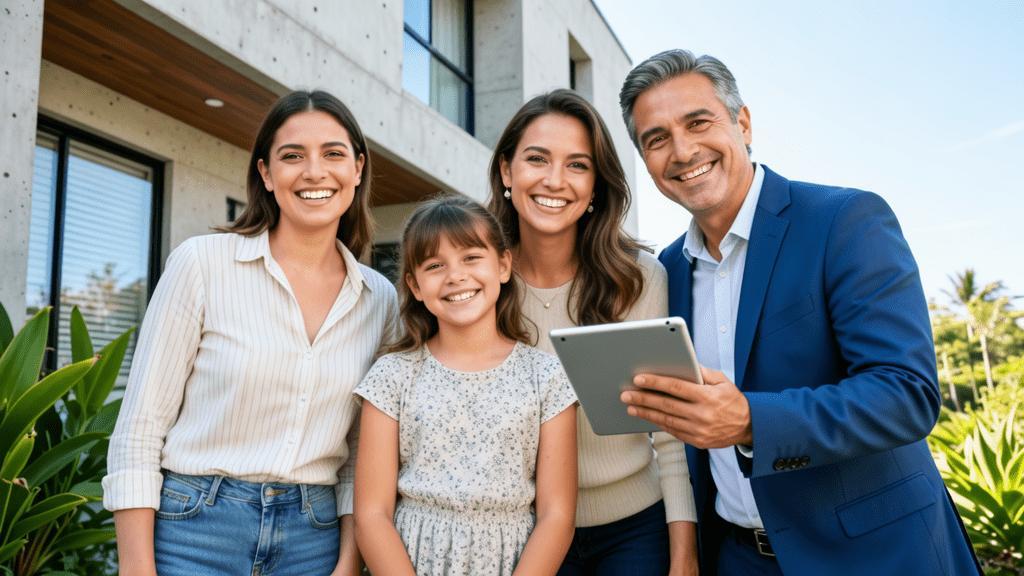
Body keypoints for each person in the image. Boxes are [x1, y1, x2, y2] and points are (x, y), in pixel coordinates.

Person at [616, 49, 981, 575]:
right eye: (656, 139)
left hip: (872, 555)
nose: (682, 149)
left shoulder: (845, 220)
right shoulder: (665, 270)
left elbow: (907, 393)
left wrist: (750, 421)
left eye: (699, 122)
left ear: (742, 123)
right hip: (737, 559)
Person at [103, 90, 397, 576]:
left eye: (333, 154)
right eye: (292, 156)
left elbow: (361, 454)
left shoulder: (379, 298)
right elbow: (140, 429)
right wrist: (136, 568)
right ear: (266, 173)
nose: (314, 172)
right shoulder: (201, 263)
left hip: (314, 540)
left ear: (358, 168)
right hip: (193, 531)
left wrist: (348, 562)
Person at [487, 89, 698, 575]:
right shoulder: (475, 284)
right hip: (522, 530)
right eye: (537, 159)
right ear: (506, 172)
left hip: (634, 531)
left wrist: (683, 555)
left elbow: (670, 432)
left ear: (597, 186)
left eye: (578, 165)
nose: (554, 181)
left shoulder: (639, 278)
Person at [353, 195, 578, 576]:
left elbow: (557, 515)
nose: (455, 276)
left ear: (504, 265)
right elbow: (372, 514)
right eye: (435, 265)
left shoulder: (547, 376)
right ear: (415, 285)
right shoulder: (392, 377)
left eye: (471, 258)